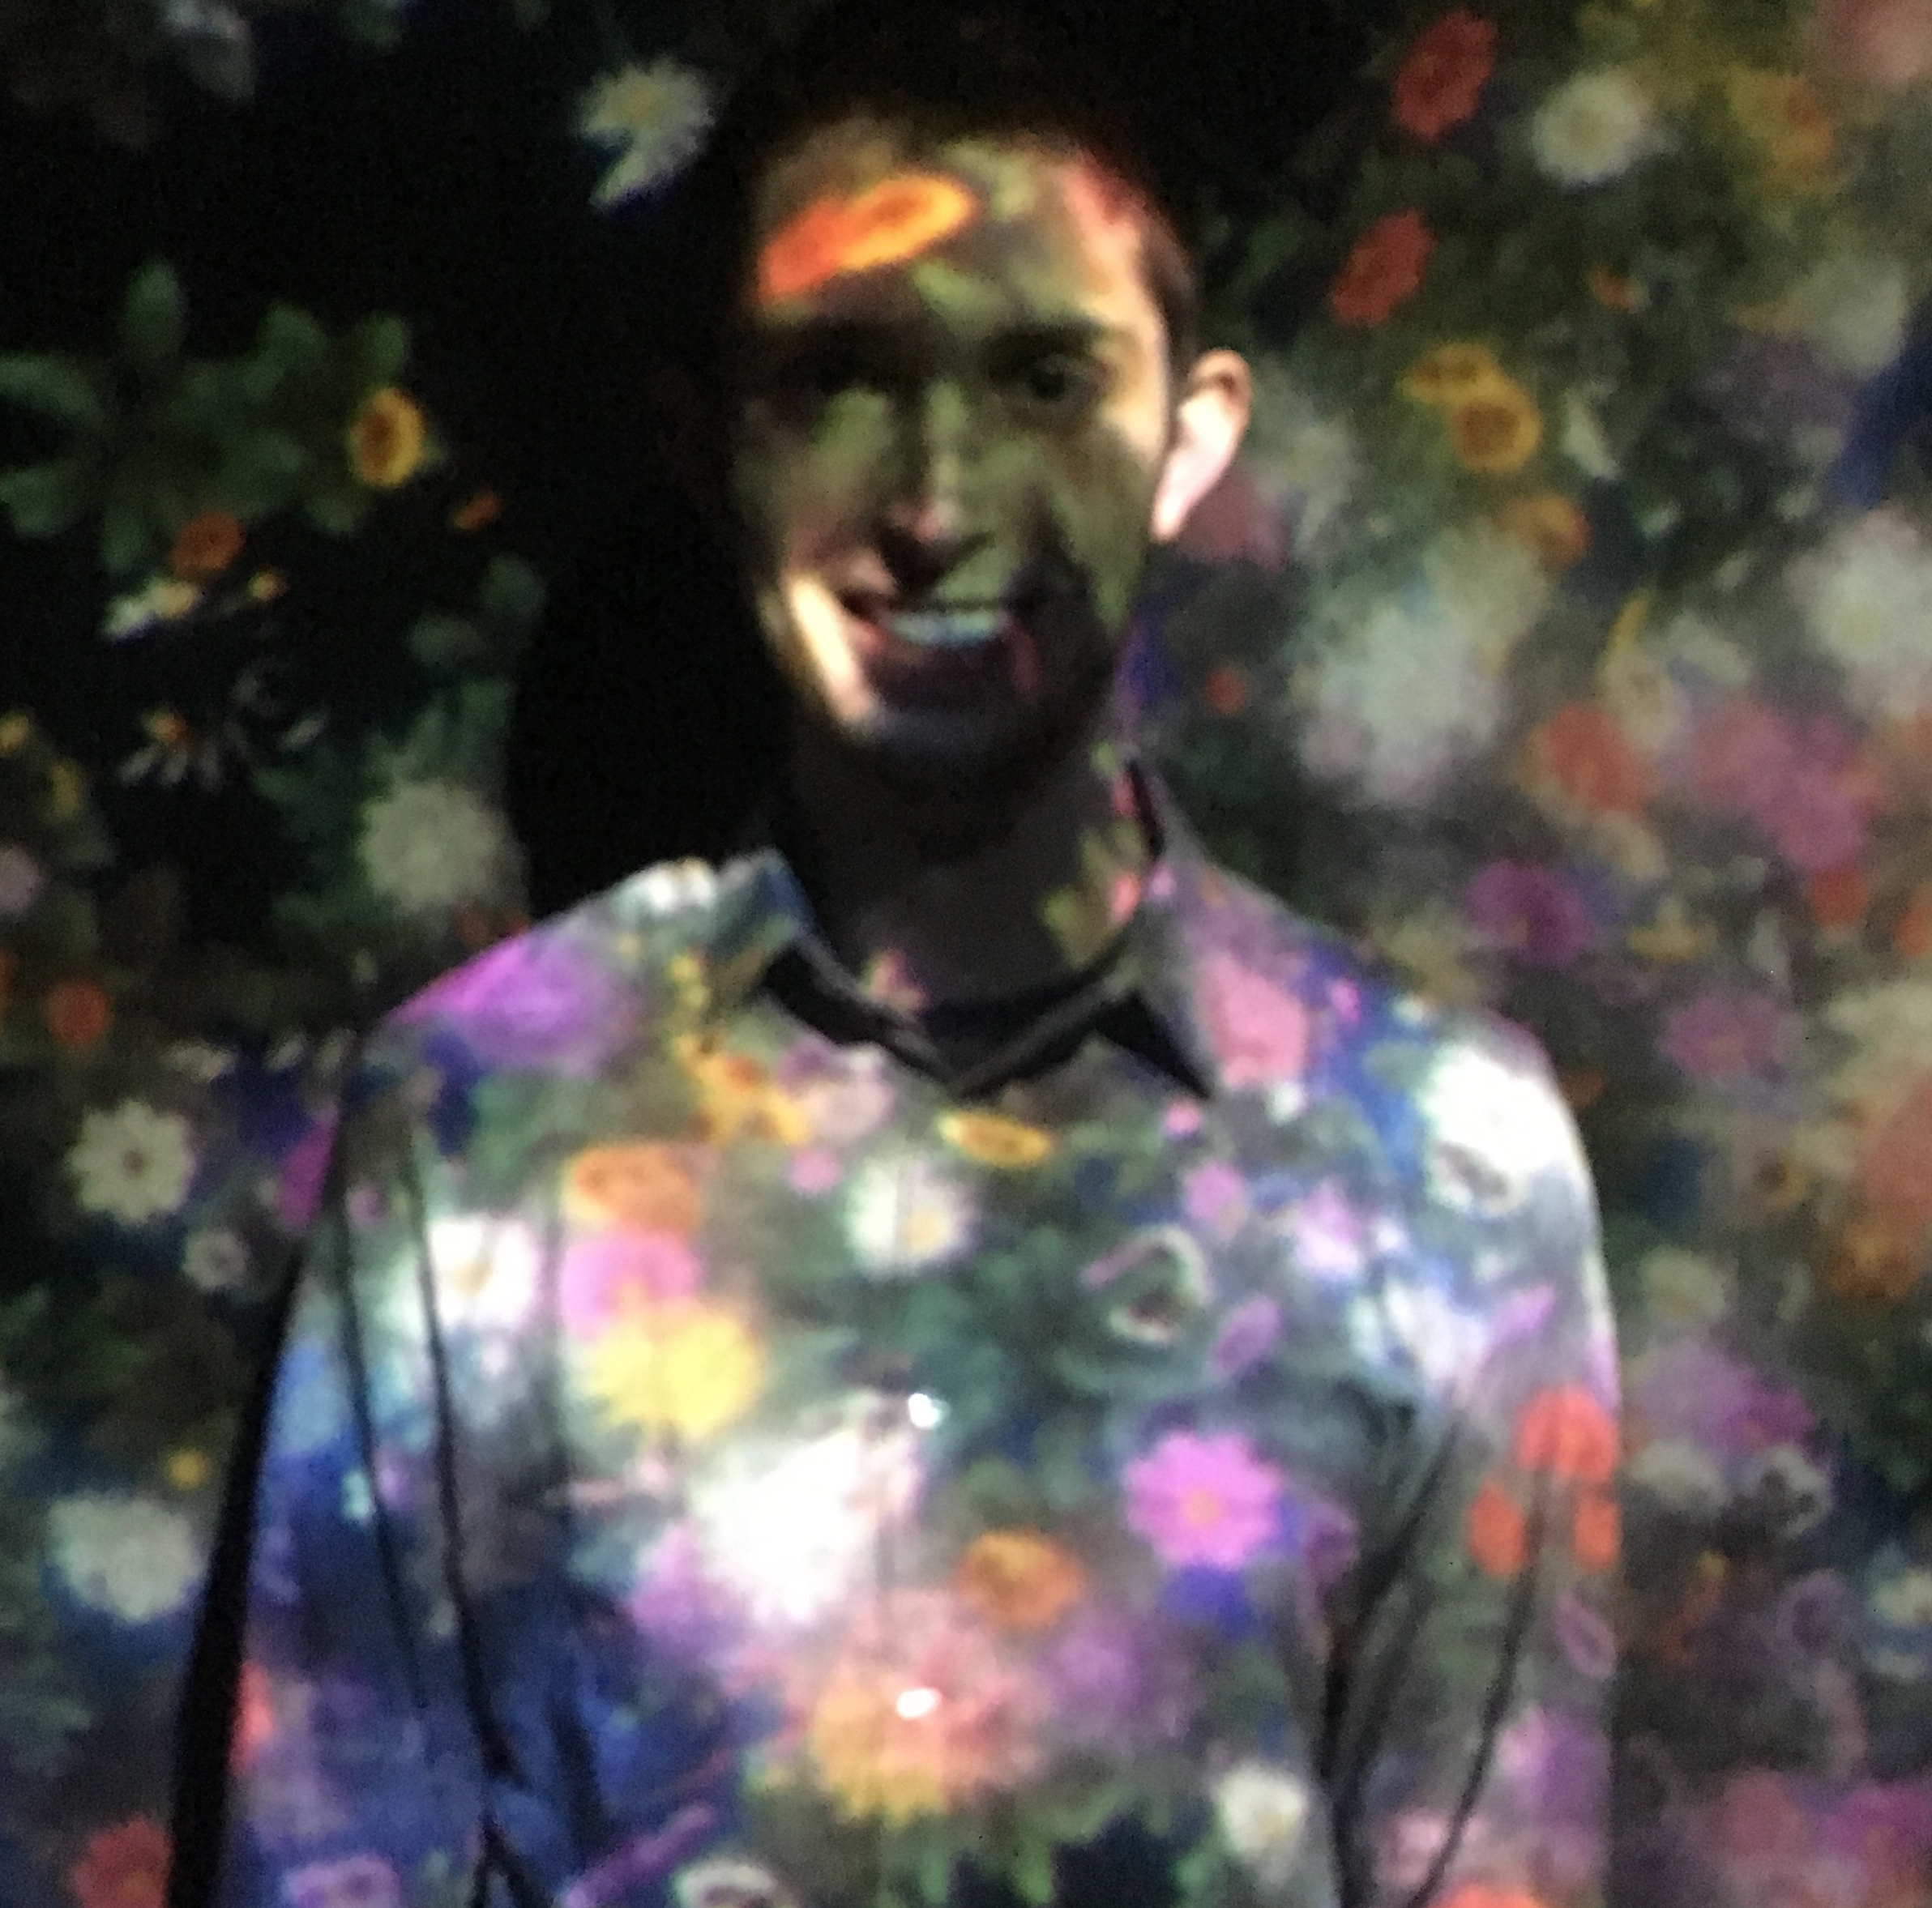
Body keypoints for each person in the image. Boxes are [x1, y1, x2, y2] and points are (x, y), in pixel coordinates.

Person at [169, 5, 1621, 1905]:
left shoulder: (1442, 1156)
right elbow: (327, 1860)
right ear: (709, 446)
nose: (938, 501)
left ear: (1188, 440)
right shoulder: (478, 1115)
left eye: (1044, 377)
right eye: (843, 376)